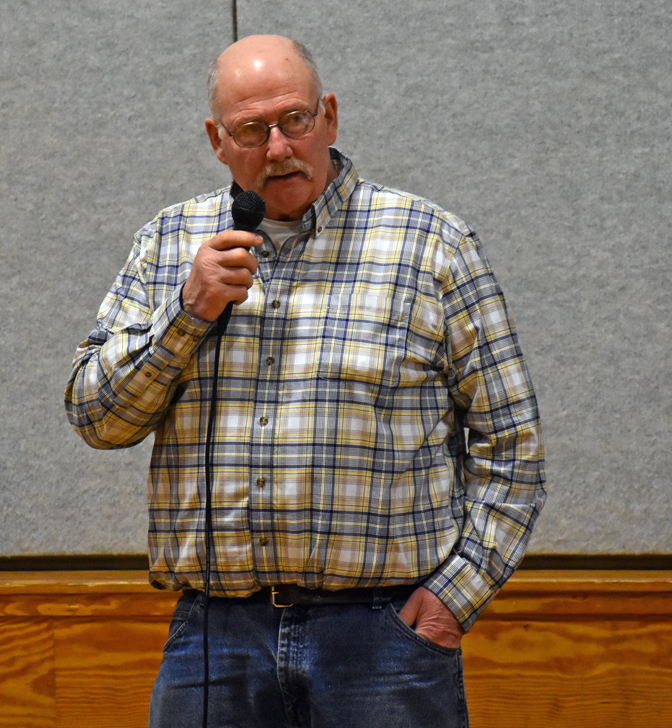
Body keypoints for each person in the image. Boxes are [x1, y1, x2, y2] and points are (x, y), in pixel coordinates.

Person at [65, 34, 546, 728]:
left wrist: (451, 600)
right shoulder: (169, 244)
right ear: (217, 140)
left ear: (329, 116)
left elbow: (514, 448)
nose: (279, 147)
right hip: (215, 639)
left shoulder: (430, 243)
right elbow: (94, 417)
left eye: (294, 120)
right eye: (252, 130)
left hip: (385, 638)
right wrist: (187, 311)